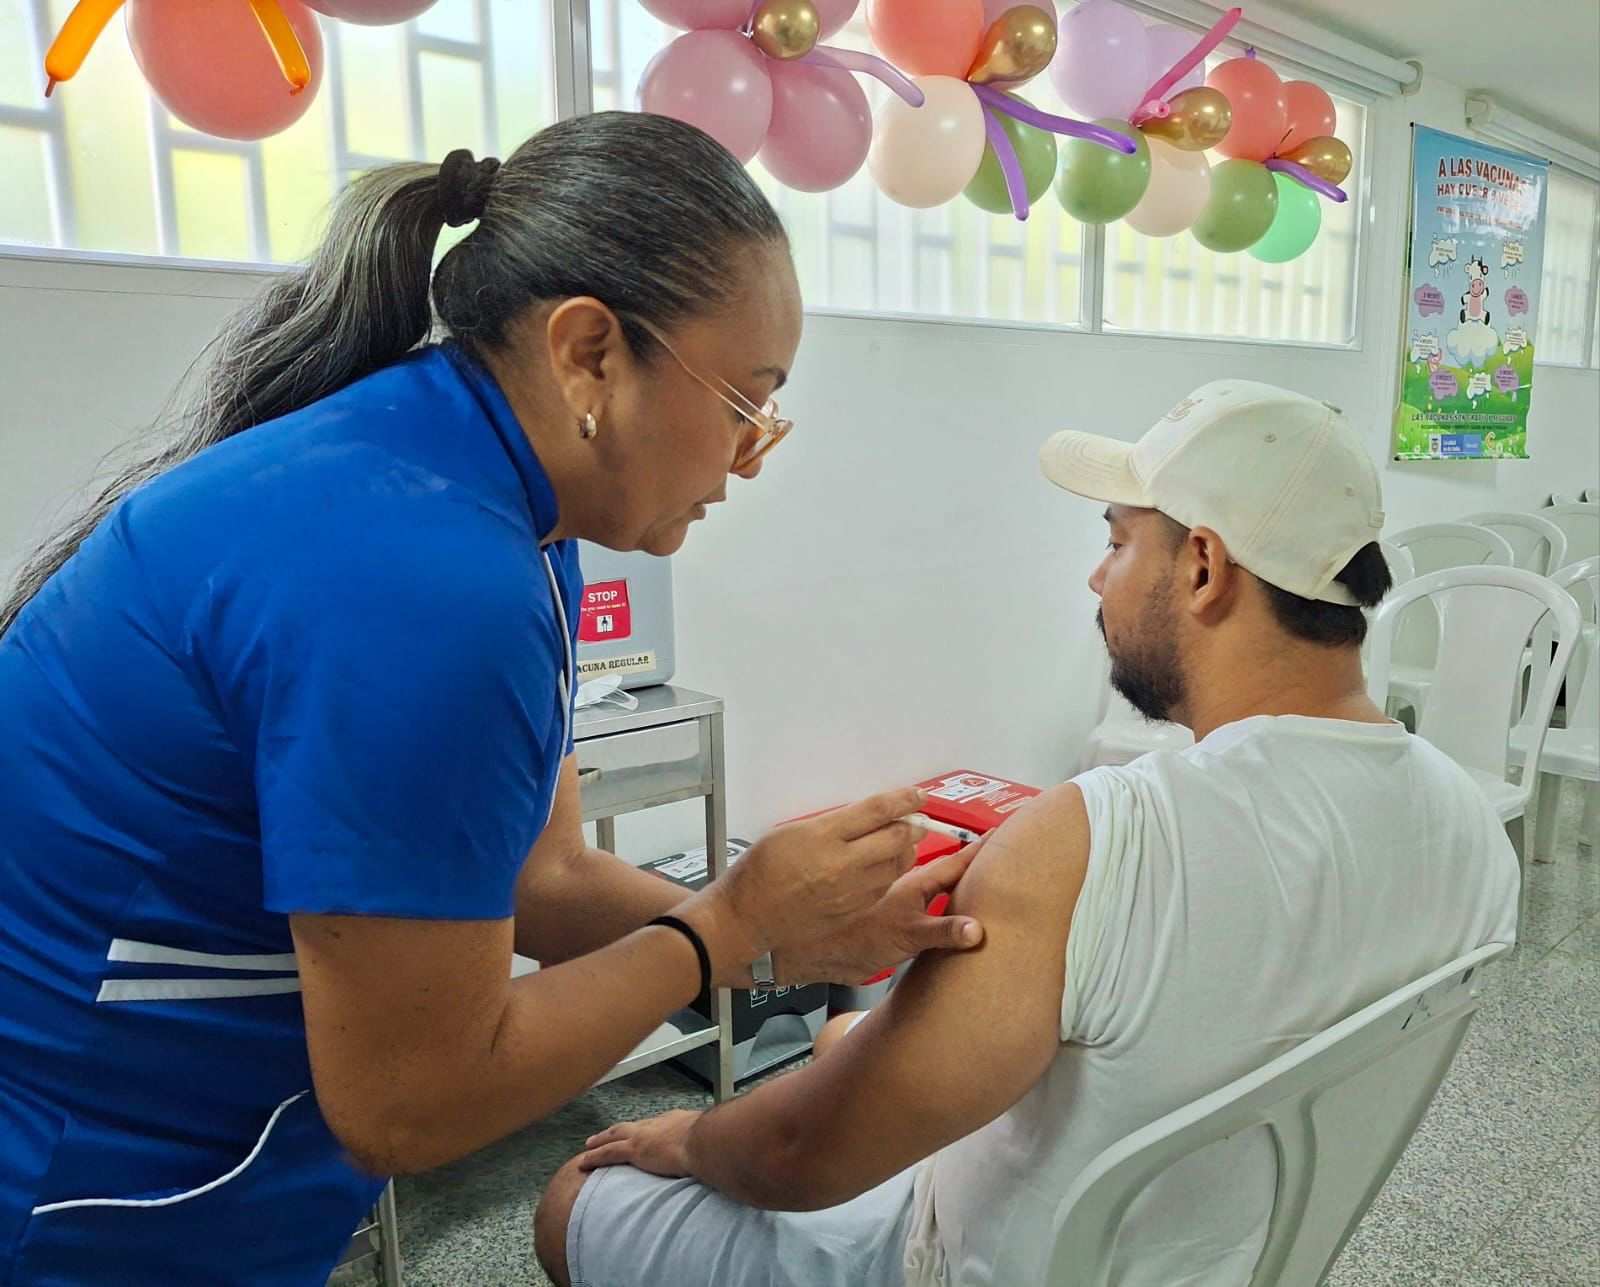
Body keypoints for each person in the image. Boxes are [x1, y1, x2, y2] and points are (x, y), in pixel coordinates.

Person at [0, 113, 985, 1286]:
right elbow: (408, 1106)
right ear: (588, 355)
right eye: (742, 404)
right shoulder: (428, 577)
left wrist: (776, 937)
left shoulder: (504, 502)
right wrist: (724, 931)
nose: (744, 459)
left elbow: (540, 874)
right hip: (96, 1173)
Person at [539, 381, 1519, 1287]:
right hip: (1219, 1250)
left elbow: (801, 1159)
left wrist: (688, 1139)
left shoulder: (1097, 840)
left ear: (1205, 566)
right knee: (845, 1033)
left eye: (1119, 540)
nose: (1098, 578)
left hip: (964, 1264)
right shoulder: (1469, 830)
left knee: (575, 1198)